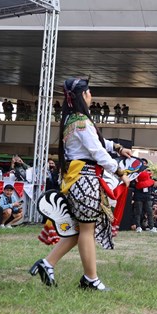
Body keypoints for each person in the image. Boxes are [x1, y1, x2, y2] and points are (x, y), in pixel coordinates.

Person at [29, 78, 133, 291]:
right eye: (89, 92)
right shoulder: (82, 122)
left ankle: (48, 264)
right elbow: (97, 151)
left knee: (79, 230)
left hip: (77, 180)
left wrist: (118, 147)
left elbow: (97, 143)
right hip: (85, 180)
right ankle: (90, 279)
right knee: (86, 230)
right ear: (83, 95)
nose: (91, 95)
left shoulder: (72, 120)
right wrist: (120, 172)